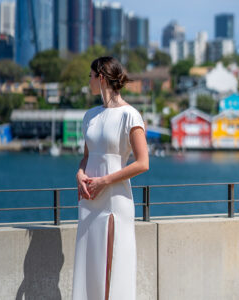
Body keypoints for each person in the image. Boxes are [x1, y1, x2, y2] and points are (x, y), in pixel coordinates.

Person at [72, 56, 149, 300]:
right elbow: (87, 156)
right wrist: (80, 173)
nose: (89, 80)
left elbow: (142, 163)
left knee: (115, 267)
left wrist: (105, 181)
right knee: (89, 265)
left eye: (91, 76)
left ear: (101, 77)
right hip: (89, 199)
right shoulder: (90, 116)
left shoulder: (130, 115)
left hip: (115, 199)